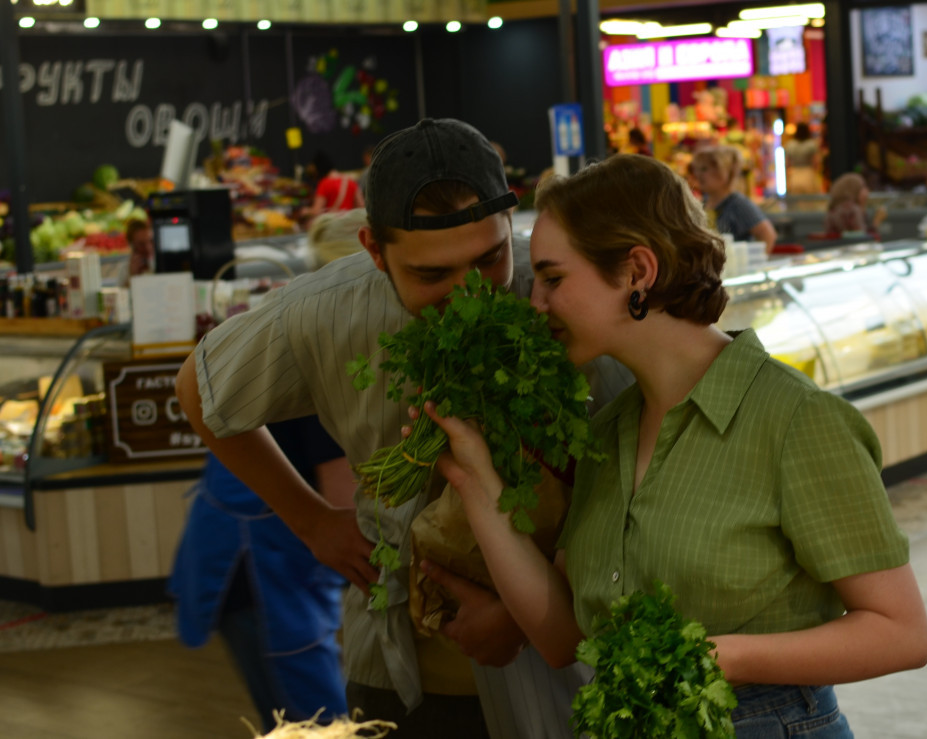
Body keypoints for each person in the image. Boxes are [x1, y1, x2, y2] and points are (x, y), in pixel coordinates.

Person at [421, 154, 927, 737]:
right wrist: (473, 476)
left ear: (638, 271)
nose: (535, 302)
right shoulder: (608, 432)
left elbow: (902, 632)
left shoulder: (796, 420)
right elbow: (562, 639)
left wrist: (726, 658)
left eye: (554, 278)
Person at [174, 118, 633, 739]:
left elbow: (636, 487)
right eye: (431, 275)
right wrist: (309, 519)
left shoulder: (565, 291)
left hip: (566, 669)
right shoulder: (324, 312)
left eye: (489, 258)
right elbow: (197, 393)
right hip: (395, 670)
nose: (470, 292)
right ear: (372, 248)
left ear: (511, 220)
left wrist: (535, 610)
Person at [168, 416, 354, 731]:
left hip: (271, 558)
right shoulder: (315, 394)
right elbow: (346, 507)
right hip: (257, 567)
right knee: (317, 722)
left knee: (300, 720)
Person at [690, 146, 777, 254]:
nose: (698, 174)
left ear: (724, 171)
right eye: (696, 169)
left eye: (704, 169)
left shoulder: (738, 204)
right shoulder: (702, 203)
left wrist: (753, 263)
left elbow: (768, 235)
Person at [824, 173, 887, 239]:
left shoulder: (834, 208)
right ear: (853, 189)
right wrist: (877, 221)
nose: (867, 192)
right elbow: (863, 239)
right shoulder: (852, 210)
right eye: (862, 187)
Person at [307, 150, 360, 217]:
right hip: (349, 224)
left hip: (333, 225)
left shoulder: (324, 183)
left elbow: (316, 211)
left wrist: (305, 211)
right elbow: (361, 206)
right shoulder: (350, 181)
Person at [783, 122, 822, 195]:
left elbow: (787, 164)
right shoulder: (812, 144)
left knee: (796, 201)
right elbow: (816, 163)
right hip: (808, 174)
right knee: (810, 202)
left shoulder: (790, 145)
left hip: (794, 176)